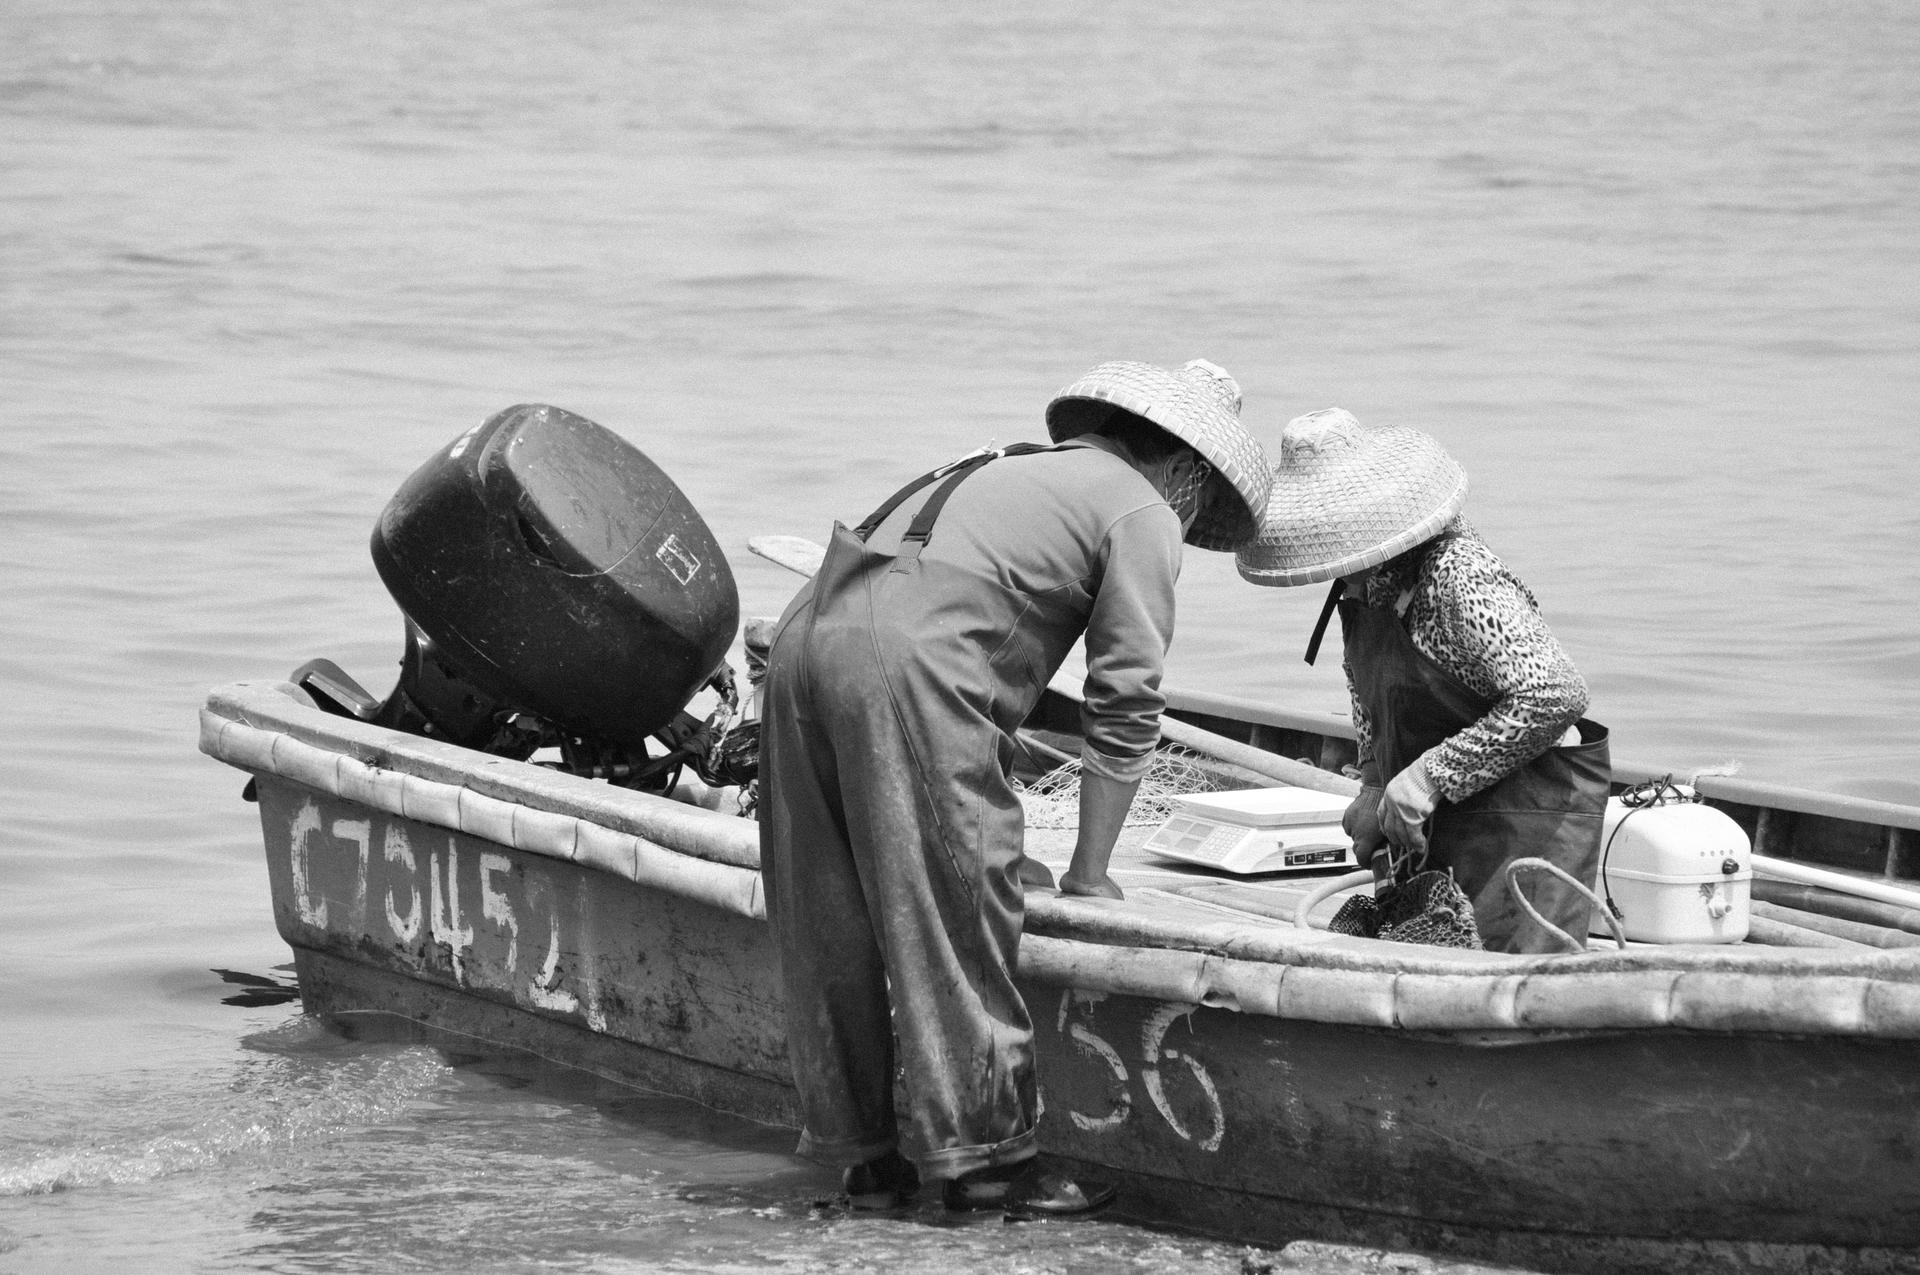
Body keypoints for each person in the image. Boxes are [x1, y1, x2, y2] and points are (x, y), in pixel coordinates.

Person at [758, 360, 1271, 1216]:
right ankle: (986, 1162)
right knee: (960, 906)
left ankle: (863, 1161)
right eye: (1198, 498)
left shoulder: (1006, 464)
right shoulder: (1142, 507)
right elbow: (1126, 699)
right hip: (908, 661)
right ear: (1186, 471)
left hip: (804, 639)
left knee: (827, 914)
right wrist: (1090, 872)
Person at [1236, 408, 1609, 954]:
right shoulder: (1362, 588)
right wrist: (1371, 783)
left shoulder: (1459, 577)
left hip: (1520, 833)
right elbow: (1366, 697)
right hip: (1437, 834)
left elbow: (1555, 694)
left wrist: (1429, 778)